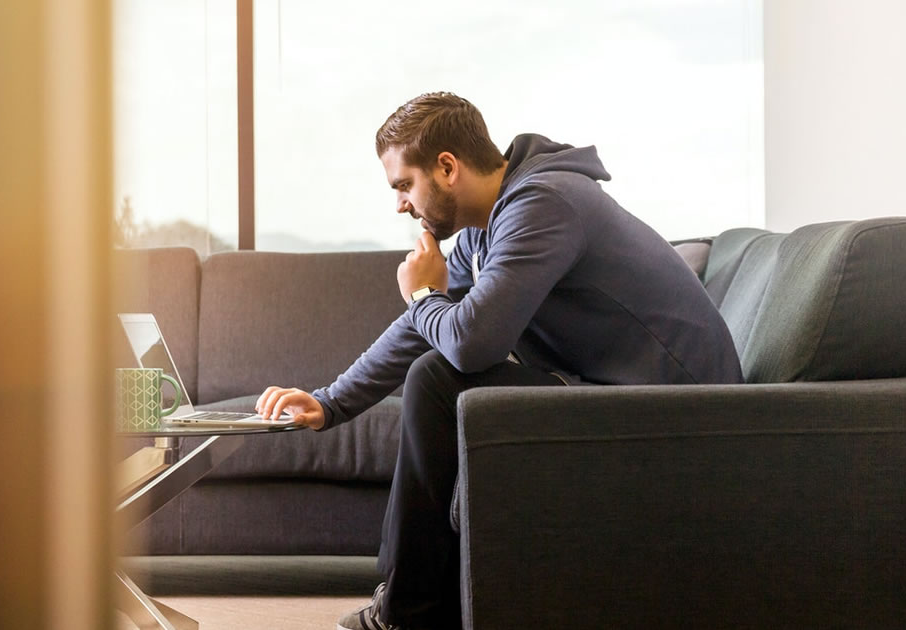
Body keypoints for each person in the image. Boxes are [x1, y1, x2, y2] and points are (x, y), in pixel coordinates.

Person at [254, 92, 744, 630]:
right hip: (610, 391)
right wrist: (329, 403)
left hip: (684, 413)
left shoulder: (545, 204)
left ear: (446, 167)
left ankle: (409, 611)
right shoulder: (488, 230)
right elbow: (419, 332)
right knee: (436, 371)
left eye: (403, 185)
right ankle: (410, 605)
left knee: (441, 378)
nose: (400, 205)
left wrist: (422, 297)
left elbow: (470, 343)